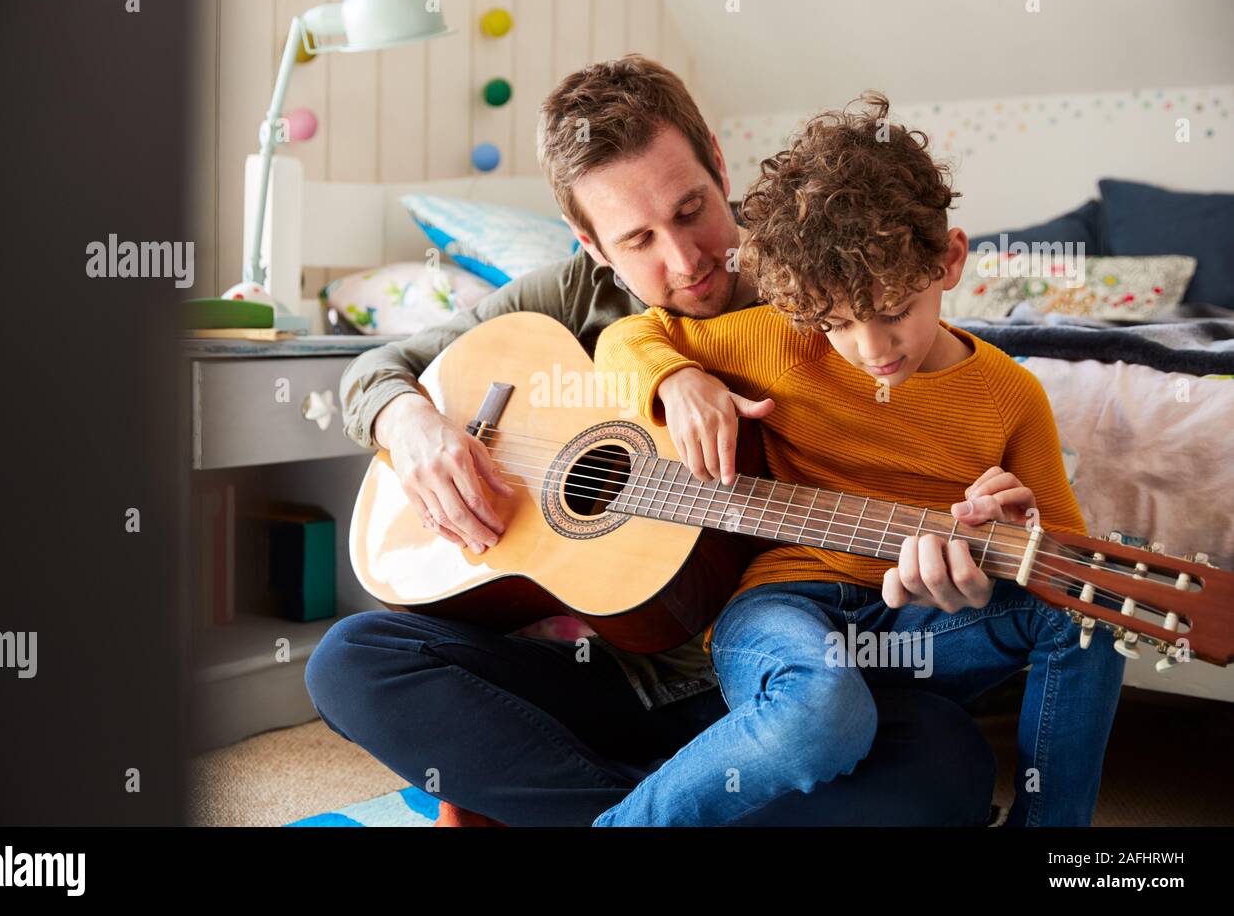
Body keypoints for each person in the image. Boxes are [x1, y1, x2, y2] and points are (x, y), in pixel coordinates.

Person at [304, 58, 997, 826]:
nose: (685, 260)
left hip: (782, 692)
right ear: (590, 243)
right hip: (610, 684)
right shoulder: (570, 296)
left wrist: (955, 543)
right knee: (352, 661)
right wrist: (411, 423)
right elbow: (381, 366)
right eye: (636, 238)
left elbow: (937, 422)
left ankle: (606, 806)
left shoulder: (824, 284)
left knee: (948, 762)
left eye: (693, 208)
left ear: (717, 160)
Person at [591, 91, 1126, 827]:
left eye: (892, 309)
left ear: (949, 260)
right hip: (784, 607)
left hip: (919, 625)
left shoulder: (1011, 394)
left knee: (1095, 601)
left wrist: (1014, 534)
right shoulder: (782, 339)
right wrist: (675, 378)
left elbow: (1061, 563)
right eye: (838, 323)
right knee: (821, 712)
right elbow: (622, 340)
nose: (872, 350)